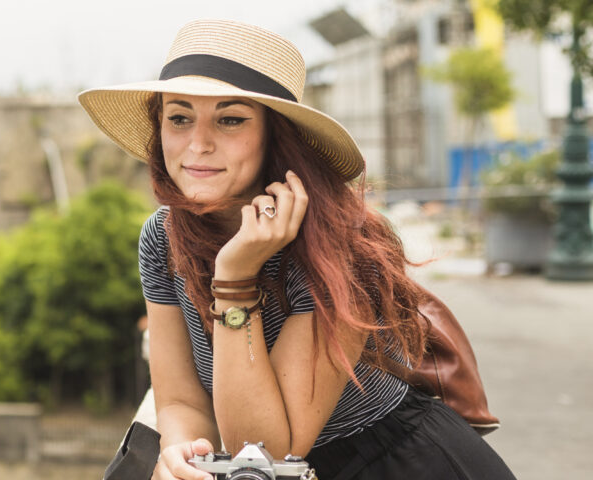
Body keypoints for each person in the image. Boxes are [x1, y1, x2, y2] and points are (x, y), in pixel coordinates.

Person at [79, 19, 515, 480]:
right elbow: (181, 399)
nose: (198, 144)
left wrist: (234, 278)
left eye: (230, 119)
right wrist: (185, 453)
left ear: (276, 134)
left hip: (393, 462)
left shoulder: (338, 243)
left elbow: (264, 448)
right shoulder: (163, 236)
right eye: (179, 118)